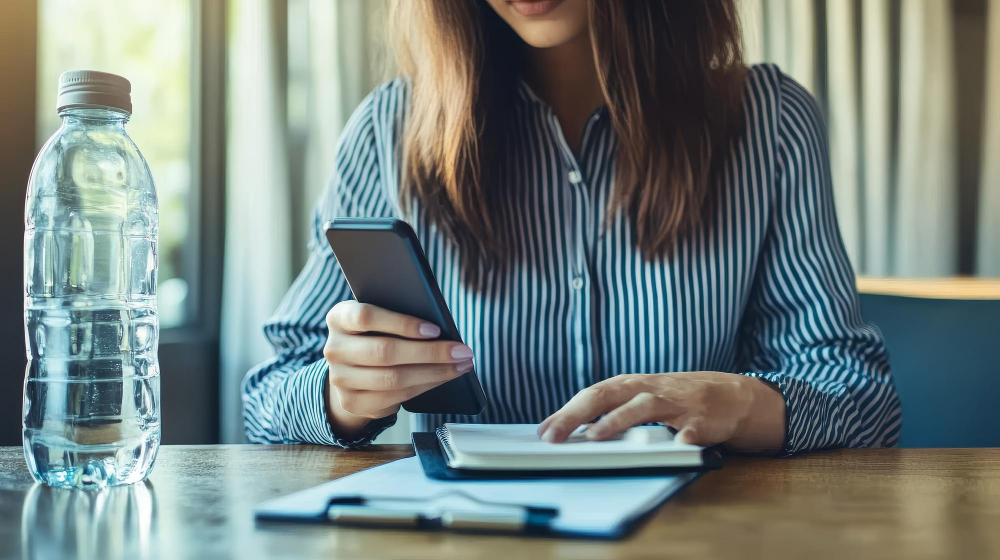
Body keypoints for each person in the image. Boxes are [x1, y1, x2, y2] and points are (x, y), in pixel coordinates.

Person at [242, 0, 901, 454]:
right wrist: (340, 398)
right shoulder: (388, 132)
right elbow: (264, 399)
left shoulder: (771, 123)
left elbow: (863, 398)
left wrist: (747, 405)